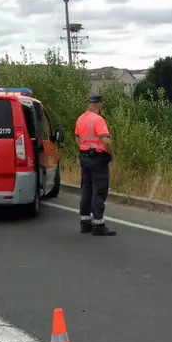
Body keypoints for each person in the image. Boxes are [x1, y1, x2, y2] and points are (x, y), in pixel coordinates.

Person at [75, 93, 116, 236]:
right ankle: (98, 224)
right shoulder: (98, 120)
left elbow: (77, 140)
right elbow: (106, 141)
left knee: (86, 190)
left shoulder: (80, 119)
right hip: (98, 158)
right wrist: (111, 154)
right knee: (99, 190)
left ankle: (85, 223)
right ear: (99, 104)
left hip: (84, 156)